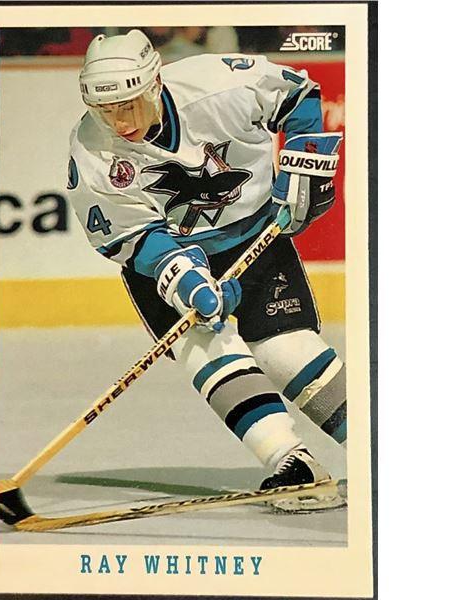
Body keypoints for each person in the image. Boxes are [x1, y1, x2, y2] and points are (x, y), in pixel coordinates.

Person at [66, 29, 345, 490]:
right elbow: (131, 235)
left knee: (286, 349)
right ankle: (291, 461)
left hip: (255, 234)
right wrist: (183, 277)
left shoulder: (217, 84)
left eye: (129, 104)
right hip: (168, 257)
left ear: (155, 83)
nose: (119, 122)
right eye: (105, 110)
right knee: (205, 347)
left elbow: (297, 94)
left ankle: (376, 443)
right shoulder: (90, 147)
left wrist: (305, 159)